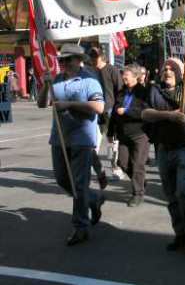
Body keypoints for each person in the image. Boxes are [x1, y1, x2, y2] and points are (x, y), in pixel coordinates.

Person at [141, 24, 185, 255]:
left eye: (173, 68)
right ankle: (179, 234)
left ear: (182, 72)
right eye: (165, 68)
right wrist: (168, 115)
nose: (168, 70)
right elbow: (145, 114)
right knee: (171, 196)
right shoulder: (154, 91)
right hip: (164, 150)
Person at [37, 44, 105, 246]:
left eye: (67, 60)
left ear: (78, 60)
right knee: (62, 180)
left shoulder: (89, 79)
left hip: (81, 140)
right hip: (59, 139)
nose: (63, 63)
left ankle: (80, 227)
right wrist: (45, 86)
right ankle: (94, 199)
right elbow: (42, 104)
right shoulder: (56, 79)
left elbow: (99, 107)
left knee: (79, 186)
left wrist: (70, 104)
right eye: (61, 60)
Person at [107, 64, 150, 207]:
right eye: (123, 74)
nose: (123, 77)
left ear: (136, 77)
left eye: (127, 74)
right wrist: (110, 132)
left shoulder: (144, 92)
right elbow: (114, 112)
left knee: (137, 165)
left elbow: (145, 112)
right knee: (123, 163)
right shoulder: (121, 92)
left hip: (140, 134)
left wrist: (127, 111)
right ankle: (141, 182)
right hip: (123, 134)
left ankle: (138, 194)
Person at [88, 47, 123, 185]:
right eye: (91, 56)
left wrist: (118, 107)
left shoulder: (112, 70)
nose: (92, 59)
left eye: (94, 56)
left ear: (102, 57)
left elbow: (120, 89)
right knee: (93, 142)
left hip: (110, 110)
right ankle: (94, 170)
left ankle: (115, 168)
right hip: (95, 111)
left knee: (113, 142)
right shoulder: (90, 72)